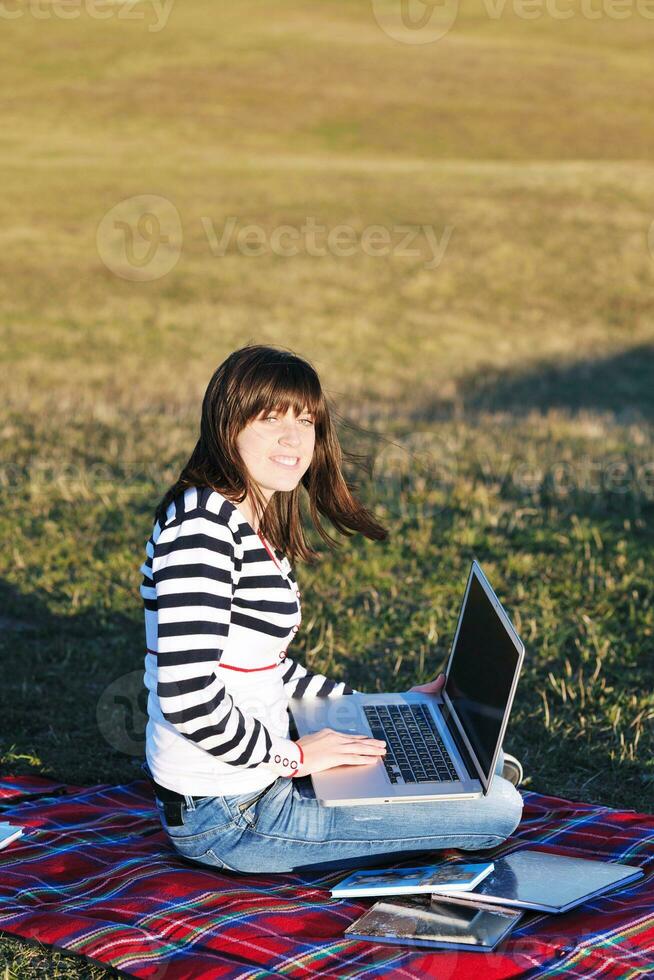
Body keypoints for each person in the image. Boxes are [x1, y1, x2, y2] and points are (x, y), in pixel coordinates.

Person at [139, 344, 524, 874]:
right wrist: (294, 758)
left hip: (253, 780)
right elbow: (185, 695)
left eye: (306, 421)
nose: (293, 440)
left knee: (480, 763)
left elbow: (261, 665)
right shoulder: (202, 529)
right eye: (271, 419)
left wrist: (381, 708)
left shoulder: (242, 514)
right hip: (229, 815)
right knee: (500, 806)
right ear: (227, 424)